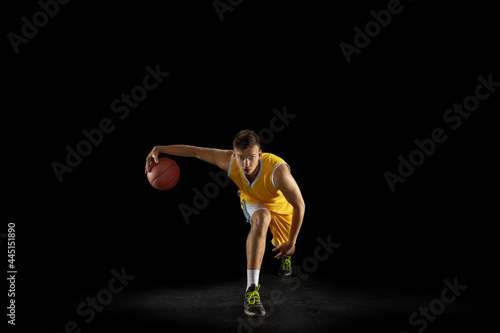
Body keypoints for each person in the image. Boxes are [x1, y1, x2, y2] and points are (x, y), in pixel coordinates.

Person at [145, 129, 305, 316]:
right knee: (261, 220)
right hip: (253, 199)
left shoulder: (278, 172)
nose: (246, 164)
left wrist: (292, 242)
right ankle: (252, 290)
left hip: (281, 204)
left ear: (260, 154)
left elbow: (299, 205)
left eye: (252, 157)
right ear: (233, 154)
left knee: (283, 243)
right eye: (241, 157)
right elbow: (195, 151)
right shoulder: (228, 160)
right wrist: (158, 148)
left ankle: (286, 257)